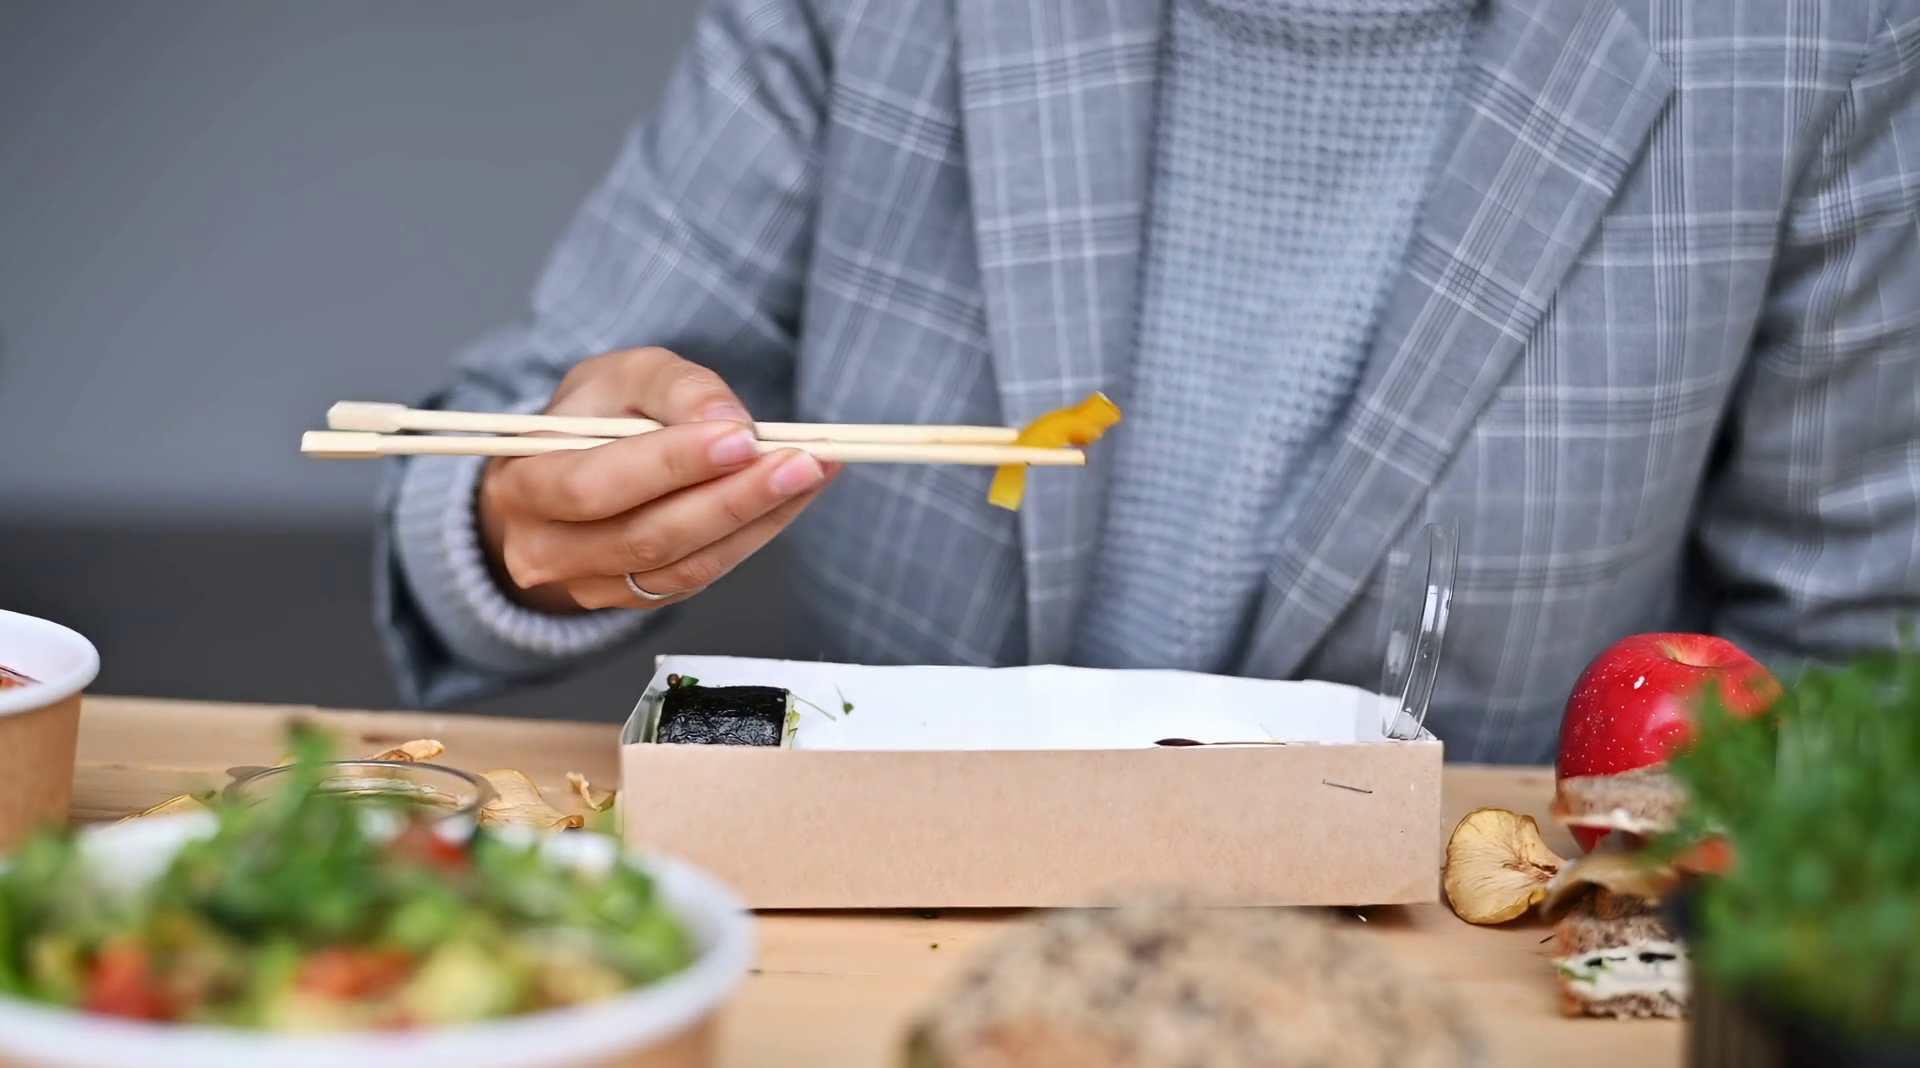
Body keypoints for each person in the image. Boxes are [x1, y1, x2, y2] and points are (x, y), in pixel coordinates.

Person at [376, 0, 1920, 764]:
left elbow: (1856, 667)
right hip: (892, 952)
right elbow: (493, 449)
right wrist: (526, 526)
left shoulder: (1810, 42)